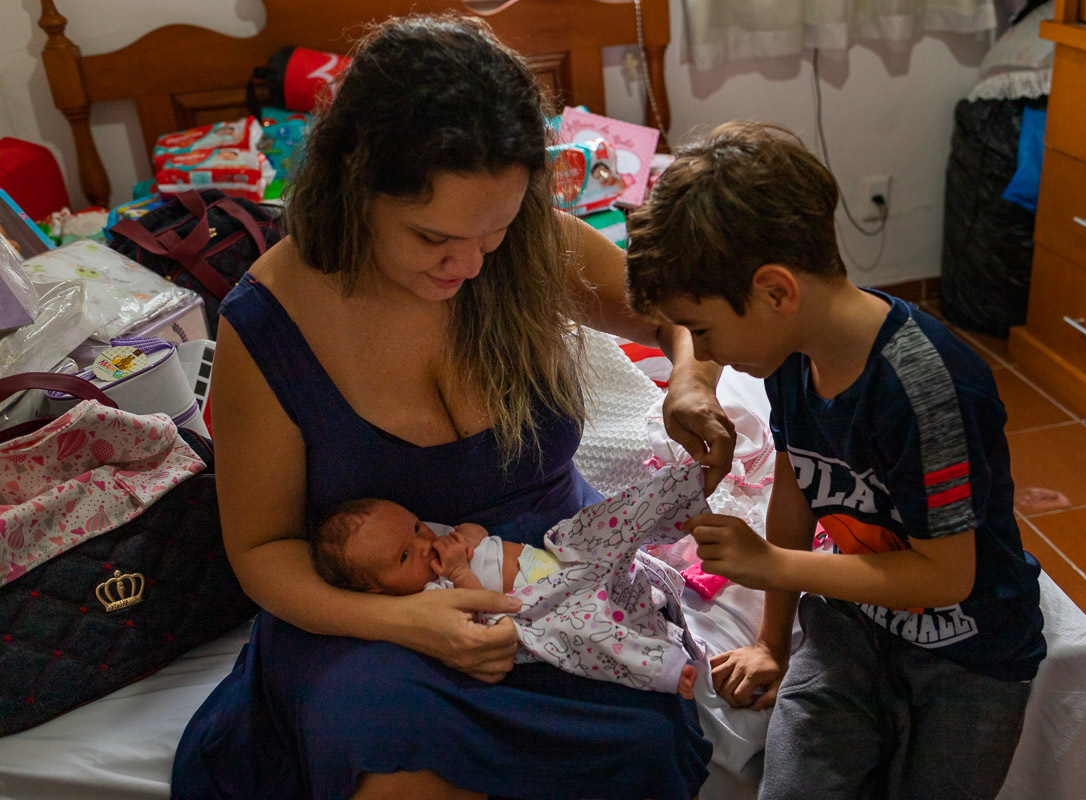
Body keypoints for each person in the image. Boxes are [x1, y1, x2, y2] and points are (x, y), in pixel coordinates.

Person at [170, 14, 734, 800]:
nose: (468, 263)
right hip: (374, 616)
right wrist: (407, 624)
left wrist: (688, 382)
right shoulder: (270, 326)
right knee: (393, 753)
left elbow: (684, 314)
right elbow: (262, 550)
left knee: (633, 741)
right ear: (354, 186)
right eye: (433, 236)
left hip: (552, 577)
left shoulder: (530, 244)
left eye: (493, 230)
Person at [624, 121, 1046, 800]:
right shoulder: (793, 359)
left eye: (702, 329)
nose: (701, 355)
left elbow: (946, 576)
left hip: (969, 658)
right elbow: (795, 489)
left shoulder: (925, 387)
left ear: (775, 292)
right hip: (847, 630)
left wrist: (770, 564)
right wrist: (773, 643)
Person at [311, 464, 710, 699]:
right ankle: (664, 669)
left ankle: (681, 489)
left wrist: (467, 535)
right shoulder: (428, 598)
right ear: (378, 590)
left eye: (415, 527)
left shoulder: (431, 538)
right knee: (584, 638)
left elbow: (478, 533)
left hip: (562, 558)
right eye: (403, 556)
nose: (422, 543)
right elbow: (485, 614)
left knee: (604, 523)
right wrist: (459, 573)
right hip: (547, 605)